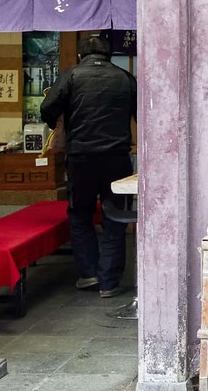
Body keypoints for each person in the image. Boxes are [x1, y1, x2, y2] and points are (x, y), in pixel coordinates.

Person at [40, 34, 137, 299]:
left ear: (81, 56)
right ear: (109, 55)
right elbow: (143, 114)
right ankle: (109, 281)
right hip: (117, 158)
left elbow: (47, 109)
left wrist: (60, 123)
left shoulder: (72, 76)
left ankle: (88, 273)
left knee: (80, 213)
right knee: (115, 216)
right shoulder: (124, 78)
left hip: (81, 157)